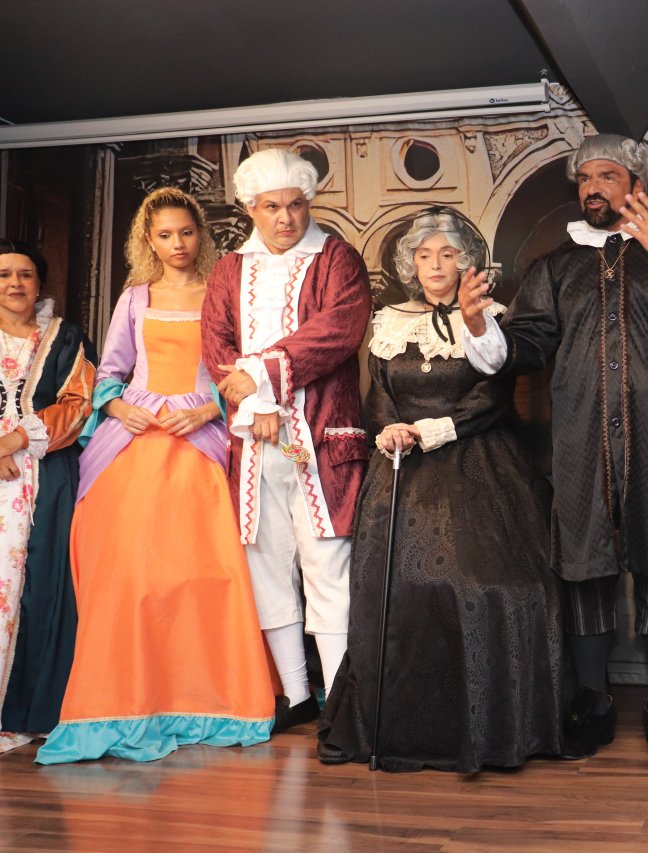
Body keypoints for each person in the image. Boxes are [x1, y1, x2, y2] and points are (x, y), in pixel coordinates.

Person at [460, 134, 648, 759]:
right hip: (582, 435)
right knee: (584, 561)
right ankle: (592, 696)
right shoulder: (555, 267)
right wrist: (479, 326)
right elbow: (527, 347)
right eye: (584, 178)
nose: (592, 187)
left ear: (635, 185)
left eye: (606, 176)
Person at [317, 208, 563, 770]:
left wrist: (433, 430)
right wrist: (389, 430)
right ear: (411, 263)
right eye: (424, 255)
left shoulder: (490, 317)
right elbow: (379, 396)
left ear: (466, 263)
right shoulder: (388, 322)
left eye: (447, 255)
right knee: (397, 592)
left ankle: (486, 724)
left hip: (479, 463)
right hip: (400, 471)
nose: (435, 265)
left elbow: (492, 397)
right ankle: (399, 727)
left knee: (484, 586)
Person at [37, 188, 276, 764]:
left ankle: (208, 700)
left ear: (201, 234)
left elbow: (238, 372)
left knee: (203, 574)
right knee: (130, 576)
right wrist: (120, 408)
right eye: (165, 235)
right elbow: (109, 374)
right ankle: (123, 701)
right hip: (135, 440)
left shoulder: (224, 295)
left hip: (200, 439)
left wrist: (210, 409)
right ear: (148, 240)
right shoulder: (134, 298)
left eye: (186, 233)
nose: (177, 244)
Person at [202, 149, 372, 731]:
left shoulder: (337, 258)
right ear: (250, 208)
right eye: (272, 206)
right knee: (265, 565)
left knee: (328, 565)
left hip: (319, 440)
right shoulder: (228, 270)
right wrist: (256, 406)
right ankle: (297, 695)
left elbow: (337, 332)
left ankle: (342, 702)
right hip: (254, 445)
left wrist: (261, 382)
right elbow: (216, 345)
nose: (285, 217)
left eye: (296, 204)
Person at [0, 242, 94, 753]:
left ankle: (23, 710)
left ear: (39, 284)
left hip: (45, 474)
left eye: (25, 274)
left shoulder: (64, 338)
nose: (15, 283)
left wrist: (15, 440)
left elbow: (78, 404)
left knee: (36, 587)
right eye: (4, 275)